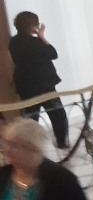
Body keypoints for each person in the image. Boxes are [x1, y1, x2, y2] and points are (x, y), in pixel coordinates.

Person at [8, 12, 69, 150]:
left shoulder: (13, 42)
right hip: (44, 85)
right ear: (32, 25)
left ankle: (29, 146)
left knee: (30, 118)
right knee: (57, 114)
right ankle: (61, 143)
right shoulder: (35, 42)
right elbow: (53, 54)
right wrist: (41, 36)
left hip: (25, 86)